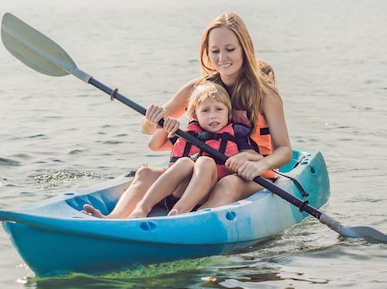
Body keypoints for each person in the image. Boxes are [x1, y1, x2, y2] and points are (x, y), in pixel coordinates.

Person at [83, 12, 291, 218]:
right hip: (204, 173)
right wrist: (150, 120)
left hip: (249, 174)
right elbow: (147, 131)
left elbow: (284, 151)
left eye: (230, 49)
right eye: (215, 51)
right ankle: (112, 220)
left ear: (245, 49)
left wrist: (261, 164)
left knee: (228, 183)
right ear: (206, 52)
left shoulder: (265, 94)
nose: (222, 58)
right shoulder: (199, 89)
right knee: (145, 174)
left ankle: (187, 222)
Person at [118, 82, 253, 218]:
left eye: (219, 109)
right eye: (205, 111)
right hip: (176, 191)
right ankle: (131, 212)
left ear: (229, 113)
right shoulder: (188, 134)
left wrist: (243, 158)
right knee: (149, 171)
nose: (213, 115)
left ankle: (178, 212)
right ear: (195, 115)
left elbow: (252, 155)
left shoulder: (236, 135)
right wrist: (166, 127)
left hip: (206, 195)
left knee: (204, 162)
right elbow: (154, 145)